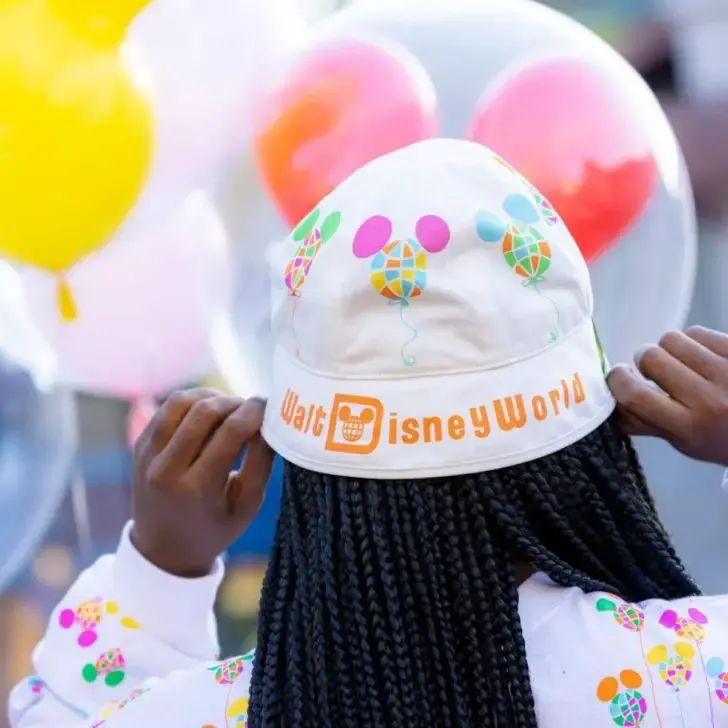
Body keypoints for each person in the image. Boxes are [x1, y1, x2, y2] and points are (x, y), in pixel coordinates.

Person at [9, 139, 728, 728]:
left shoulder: (213, 714)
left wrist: (160, 570)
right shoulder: (697, 677)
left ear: (302, 451)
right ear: (588, 446)